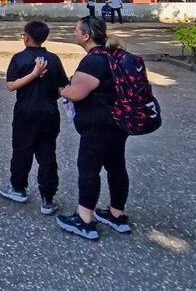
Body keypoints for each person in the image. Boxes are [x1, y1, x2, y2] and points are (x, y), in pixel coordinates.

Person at [57, 16, 131, 240]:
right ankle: (116, 214)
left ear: (86, 36)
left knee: (89, 168)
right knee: (117, 166)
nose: (74, 33)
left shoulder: (93, 61)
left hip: (98, 124)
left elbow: (75, 93)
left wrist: (62, 89)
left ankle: (84, 218)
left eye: (76, 30)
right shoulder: (114, 56)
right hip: (119, 121)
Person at [0, 20, 68, 215]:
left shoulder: (19, 58)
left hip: (25, 112)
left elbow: (11, 85)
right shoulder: (53, 59)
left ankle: (18, 188)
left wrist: (33, 74)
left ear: (26, 37)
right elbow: (62, 87)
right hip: (48, 111)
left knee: (22, 151)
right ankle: (48, 197)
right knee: (47, 153)